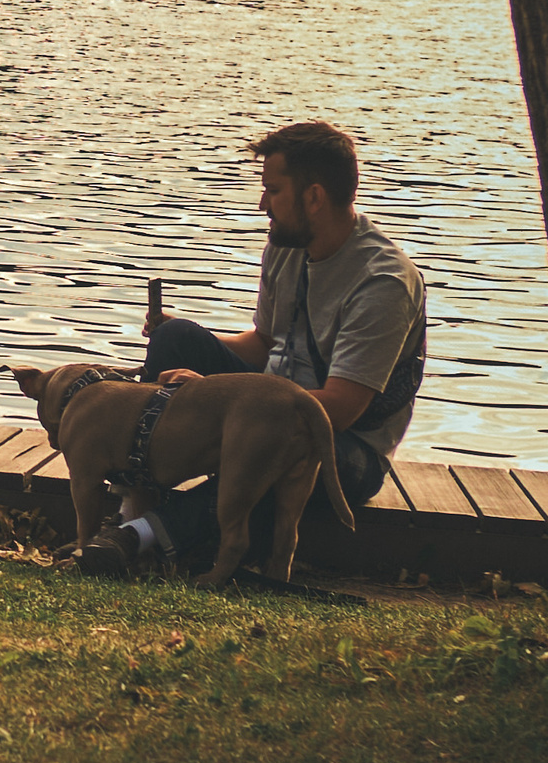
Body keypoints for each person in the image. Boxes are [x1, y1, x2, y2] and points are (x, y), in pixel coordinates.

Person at [83, 122, 425, 576]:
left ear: (314, 198)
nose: (262, 204)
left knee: (282, 446)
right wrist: (193, 346)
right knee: (176, 338)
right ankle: (136, 500)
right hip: (259, 407)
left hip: (342, 447)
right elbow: (262, 344)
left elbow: (338, 411)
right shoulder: (288, 244)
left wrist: (218, 397)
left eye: (273, 190)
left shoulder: (382, 282)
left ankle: (137, 538)